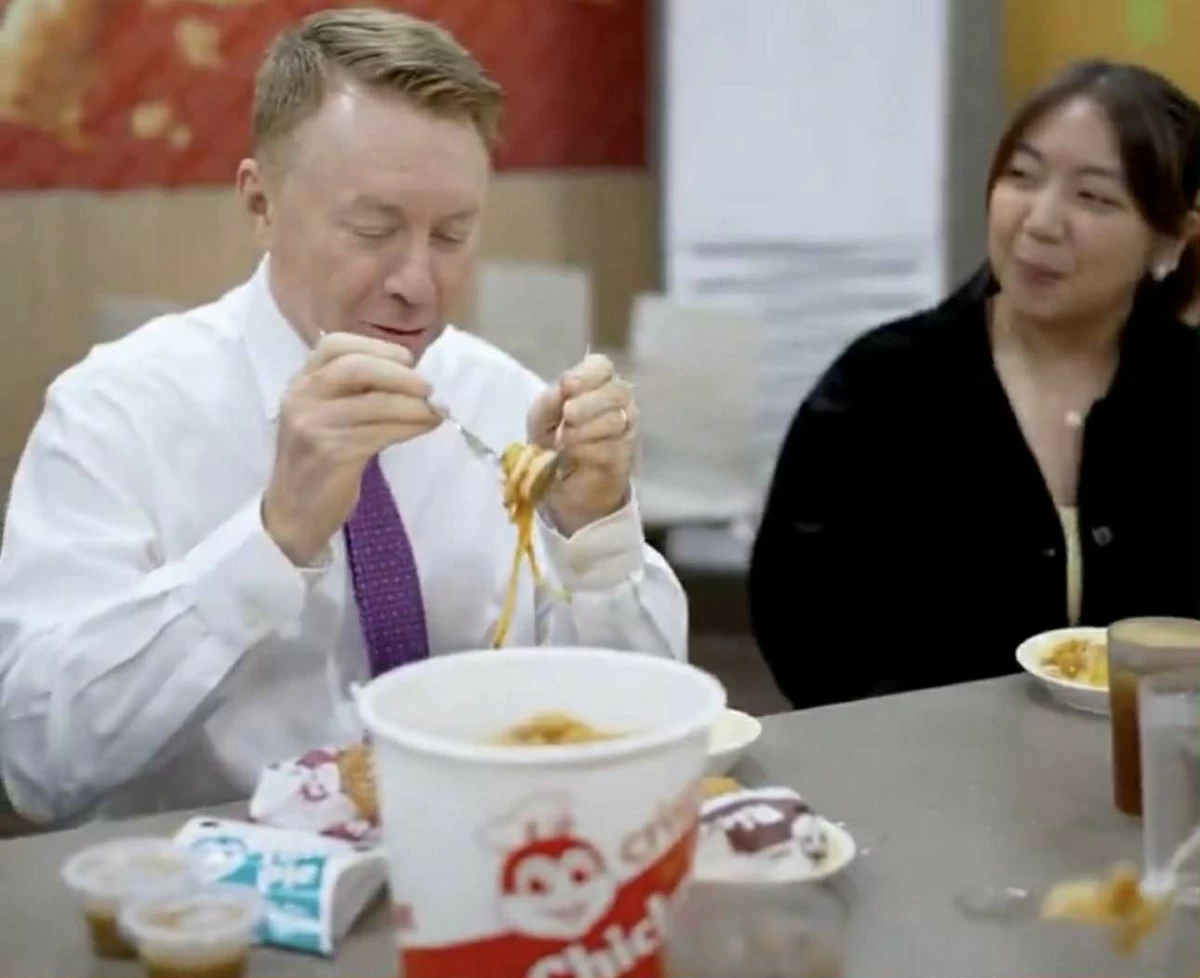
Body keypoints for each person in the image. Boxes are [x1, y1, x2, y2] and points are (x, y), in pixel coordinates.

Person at [0, 9, 688, 823]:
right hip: (213, 907)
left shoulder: (502, 402)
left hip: (473, 866)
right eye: (372, 229)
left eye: (453, 235)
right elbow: (36, 760)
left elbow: (650, 721)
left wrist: (595, 535)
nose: (418, 283)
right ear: (260, 203)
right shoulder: (114, 412)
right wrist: (272, 537)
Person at [750, 61, 1200, 710]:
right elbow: (806, 624)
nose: (1041, 222)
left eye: (1094, 197)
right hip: (925, 785)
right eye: (1022, 177)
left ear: (1170, 240)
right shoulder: (881, 387)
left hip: (1160, 782)